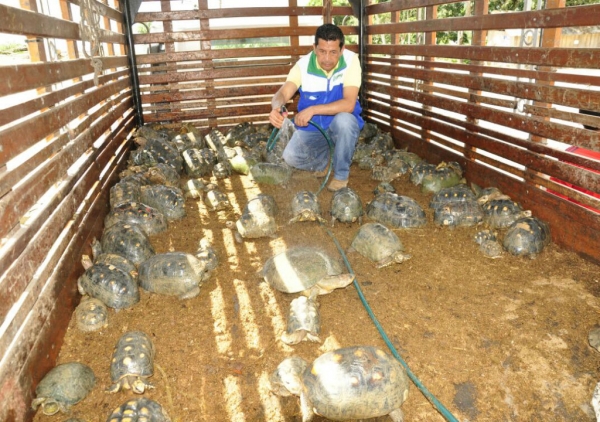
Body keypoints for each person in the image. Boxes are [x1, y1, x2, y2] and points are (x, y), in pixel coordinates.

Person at [269, 23, 364, 192]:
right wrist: (277, 106)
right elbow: (284, 92)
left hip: (339, 125)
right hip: (315, 129)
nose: (327, 58)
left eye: (333, 52)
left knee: (345, 121)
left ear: (342, 50)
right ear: (314, 48)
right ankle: (325, 161)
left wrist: (313, 109)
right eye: (322, 51)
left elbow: (349, 104)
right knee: (290, 157)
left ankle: (341, 175)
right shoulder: (302, 65)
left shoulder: (351, 61)